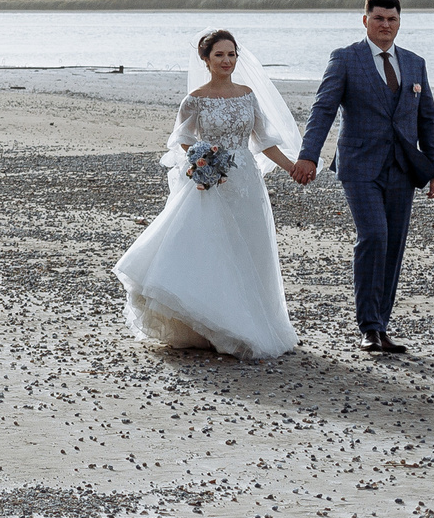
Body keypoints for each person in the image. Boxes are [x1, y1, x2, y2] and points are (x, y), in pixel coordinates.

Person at [113, 27, 302, 360]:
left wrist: (293, 167)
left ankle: (253, 323)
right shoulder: (195, 99)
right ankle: (214, 323)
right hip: (212, 181)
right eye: (219, 55)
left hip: (246, 181)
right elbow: (181, 139)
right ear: (206, 59)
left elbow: (263, 141)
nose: (227, 60)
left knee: (250, 249)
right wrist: (203, 158)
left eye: (231, 54)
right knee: (214, 249)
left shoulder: (247, 94)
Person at [291, 0, 434, 354]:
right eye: (378, 18)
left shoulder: (414, 63)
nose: (385, 26)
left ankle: (381, 326)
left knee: (393, 247)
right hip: (359, 166)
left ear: (399, 22)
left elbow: (428, 119)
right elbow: (323, 109)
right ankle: (368, 327)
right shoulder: (346, 59)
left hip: (403, 169)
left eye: (392, 19)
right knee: (374, 236)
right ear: (365, 21)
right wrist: (308, 156)